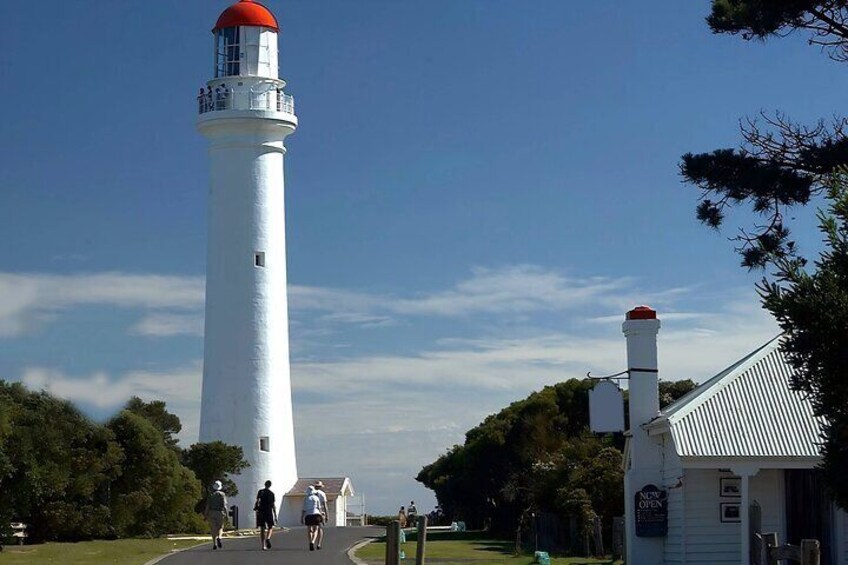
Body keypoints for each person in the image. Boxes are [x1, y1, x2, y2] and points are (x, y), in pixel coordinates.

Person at [204, 480, 227, 550]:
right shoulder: (222, 494)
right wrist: (226, 513)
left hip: (211, 512)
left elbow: (208, 505)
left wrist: (205, 514)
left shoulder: (211, 495)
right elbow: (224, 505)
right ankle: (219, 537)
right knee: (220, 527)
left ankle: (214, 544)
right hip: (220, 512)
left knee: (213, 528)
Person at [302, 485, 325, 551]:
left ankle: (310, 542)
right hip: (316, 514)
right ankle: (313, 541)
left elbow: (304, 509)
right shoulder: (316, 498)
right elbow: (319, 508)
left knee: (309, 530)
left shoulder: (306, 498)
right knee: (316, 529)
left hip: (308, 515)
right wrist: (322, 516)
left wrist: (302, 517)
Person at [254, 480, 276, 550]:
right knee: (270, 527)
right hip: (268, 511)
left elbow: (257, 501)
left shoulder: (261, 492)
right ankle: (268, 538)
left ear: (265, 484)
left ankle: (263, 546)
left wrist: (256, 508)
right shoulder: (271, 494)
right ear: (270, 485)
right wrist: (275, 515)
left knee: (262, 529)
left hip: (261, 511)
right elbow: (273, 505)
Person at [313, 481, 328, 549]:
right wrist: (327, 515)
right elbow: (325, 505)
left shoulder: (310, 494)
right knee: (319, 528)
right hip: (320, 512)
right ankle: (318, 544)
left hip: (312, 512)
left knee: (313, 528)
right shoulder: (322, 494)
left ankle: (312, 541)